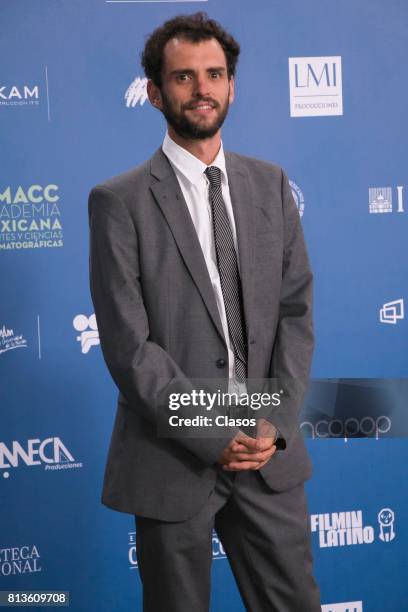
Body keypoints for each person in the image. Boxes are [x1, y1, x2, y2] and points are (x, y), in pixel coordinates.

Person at [88, 12, 321, 612]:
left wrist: (273, 425)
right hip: (172, 459)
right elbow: (129, 347)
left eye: (214, 74)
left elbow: (296, 316)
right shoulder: (119, 202)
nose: (203, 89)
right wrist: (213, 434)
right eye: (185, 77)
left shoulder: (271, 186)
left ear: (232, 85)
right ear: (154, 92)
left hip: (268, 457)